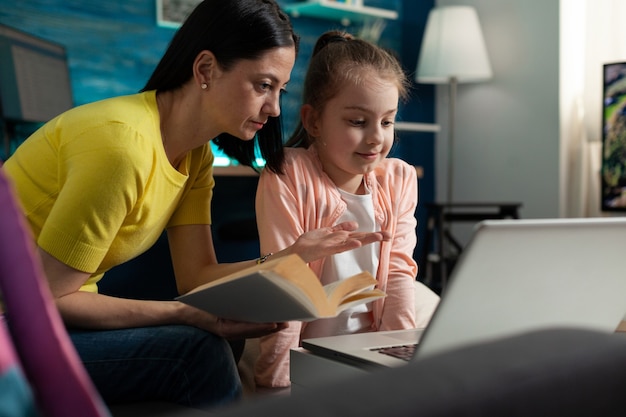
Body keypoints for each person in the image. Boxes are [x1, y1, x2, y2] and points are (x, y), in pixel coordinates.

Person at [2, 2, 389, 410]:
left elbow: (196, 278)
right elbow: (48, 301)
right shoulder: (121, 147)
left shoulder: (194, 155)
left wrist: (288, 258)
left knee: (223, 335)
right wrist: (185, 314)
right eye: (263, 86)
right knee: (196, 354)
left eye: (280, 90)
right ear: (205, 70)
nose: (275, 108)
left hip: (38, 322)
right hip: (12, 331)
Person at [254, 30, 440, 390]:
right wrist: (276, 385)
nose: (376, 138)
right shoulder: (287, 173)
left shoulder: (399, 178)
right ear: (314, 121)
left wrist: (396, 368)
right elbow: (283, 279)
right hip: (309, 352)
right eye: (358, 122)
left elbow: (399, 275)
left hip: (368, 351)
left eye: (387, 122)